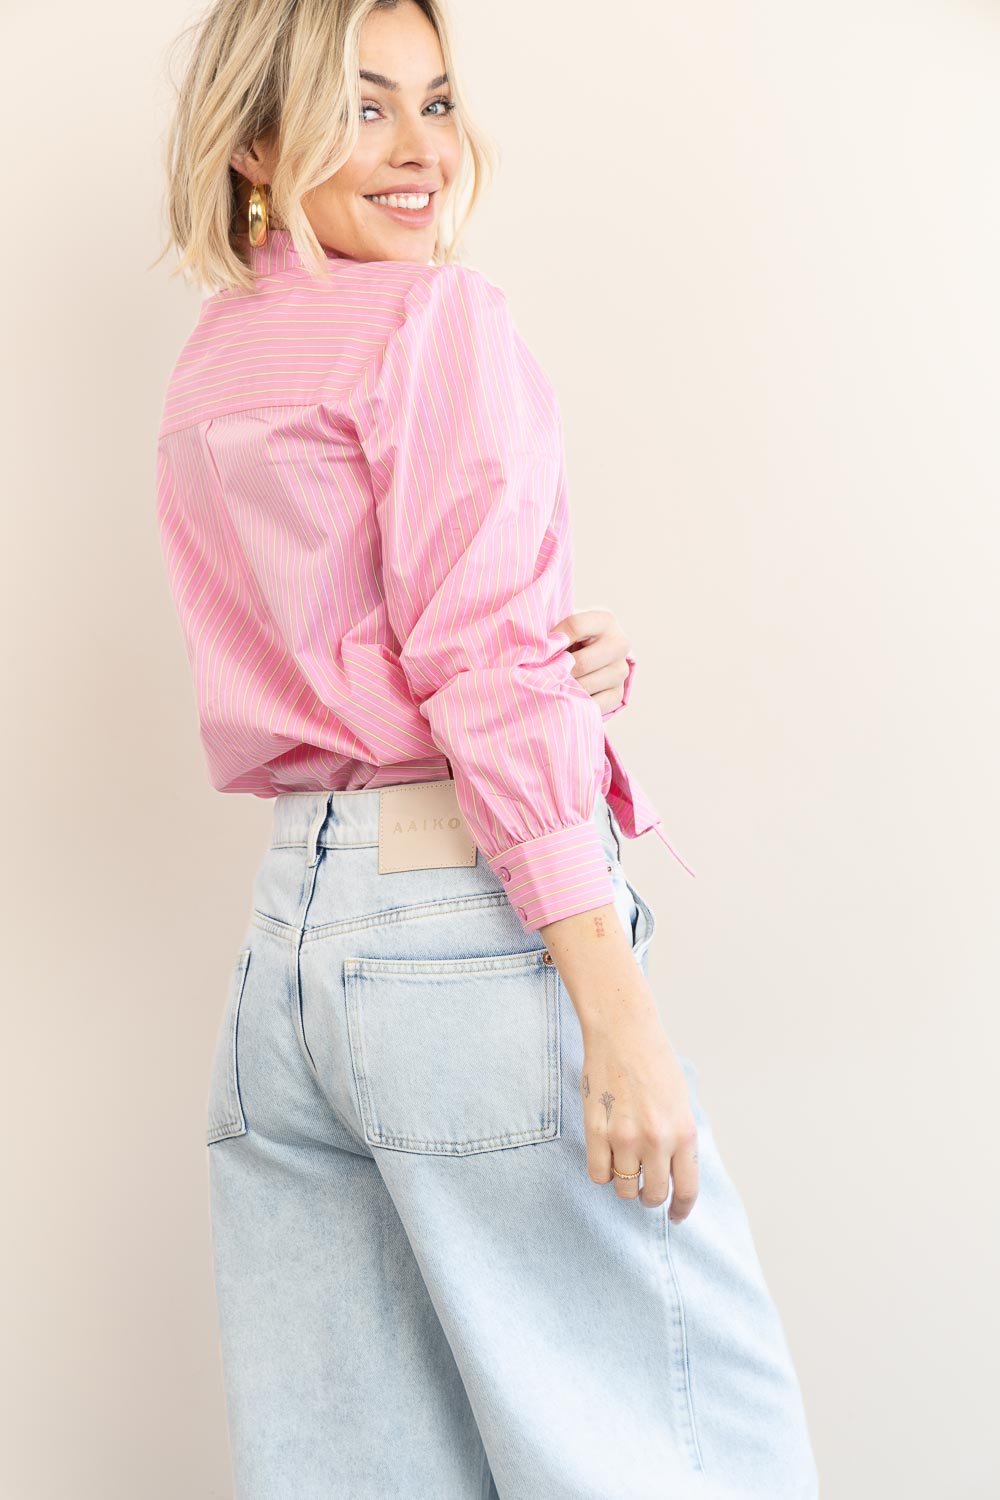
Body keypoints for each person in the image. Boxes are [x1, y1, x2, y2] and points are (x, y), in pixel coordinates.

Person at [154, 1, 819, 1496]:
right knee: (683, 1460)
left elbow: (360, 641)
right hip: (462, 930)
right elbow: (472, 663)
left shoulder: (216, 358)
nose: (421, 150)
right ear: (257, 142)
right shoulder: (433, 321)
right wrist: (618, 1011)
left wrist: (546, 667)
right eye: (364, 106)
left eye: (438, 102)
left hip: (289, 963)